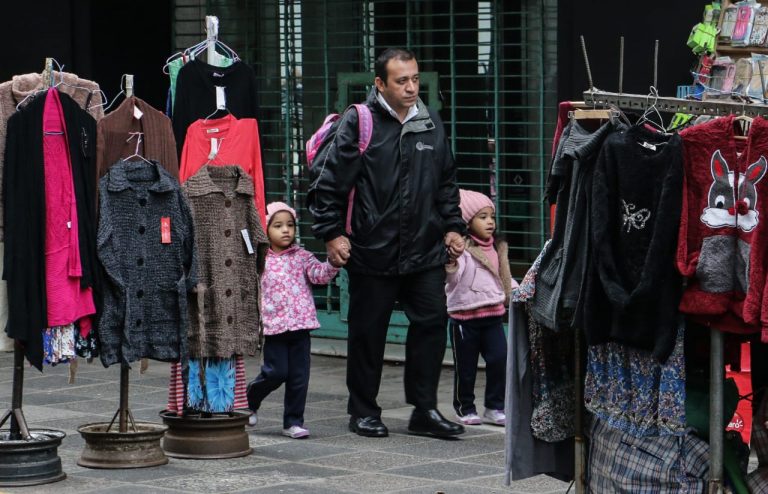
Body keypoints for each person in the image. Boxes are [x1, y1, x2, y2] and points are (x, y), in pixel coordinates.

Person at [307, 47, 466, 438]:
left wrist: (452, 226)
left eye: (414, 79)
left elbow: (446, 182)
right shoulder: (359, 123)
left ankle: (424, 410)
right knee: (368, 333)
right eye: (402, 81)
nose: (412, 88)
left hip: (424, 249)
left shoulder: (431, 123)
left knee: (431, 324)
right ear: (380, 84)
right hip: (370, 248)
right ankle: (363, 410)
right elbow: (327, 184)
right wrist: (331, 233)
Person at [246, 202, 339, 439]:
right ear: (265, 230)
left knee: (299, 378)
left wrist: (333, 264)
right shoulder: (260, 259)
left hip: (301, 327)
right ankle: (250, 400)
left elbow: (319, 276)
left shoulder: (303, 256)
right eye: (278, 226)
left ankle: (293, 421)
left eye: (290, 225)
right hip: (274, 328)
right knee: (275, 373)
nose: (285, 230)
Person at [445, 189, 515, 426]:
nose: (489, 222)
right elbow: (453, 281)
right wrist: (452, 264)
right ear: (467, 221)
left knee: (499, 359)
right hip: (465, 318)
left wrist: (517, 290)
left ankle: (495, 407)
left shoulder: (497, 247)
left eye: (491, 217)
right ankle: (465, 408)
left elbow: (503, 277)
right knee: (466, 368)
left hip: (493, 315)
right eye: (482, 217)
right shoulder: (462, 249)